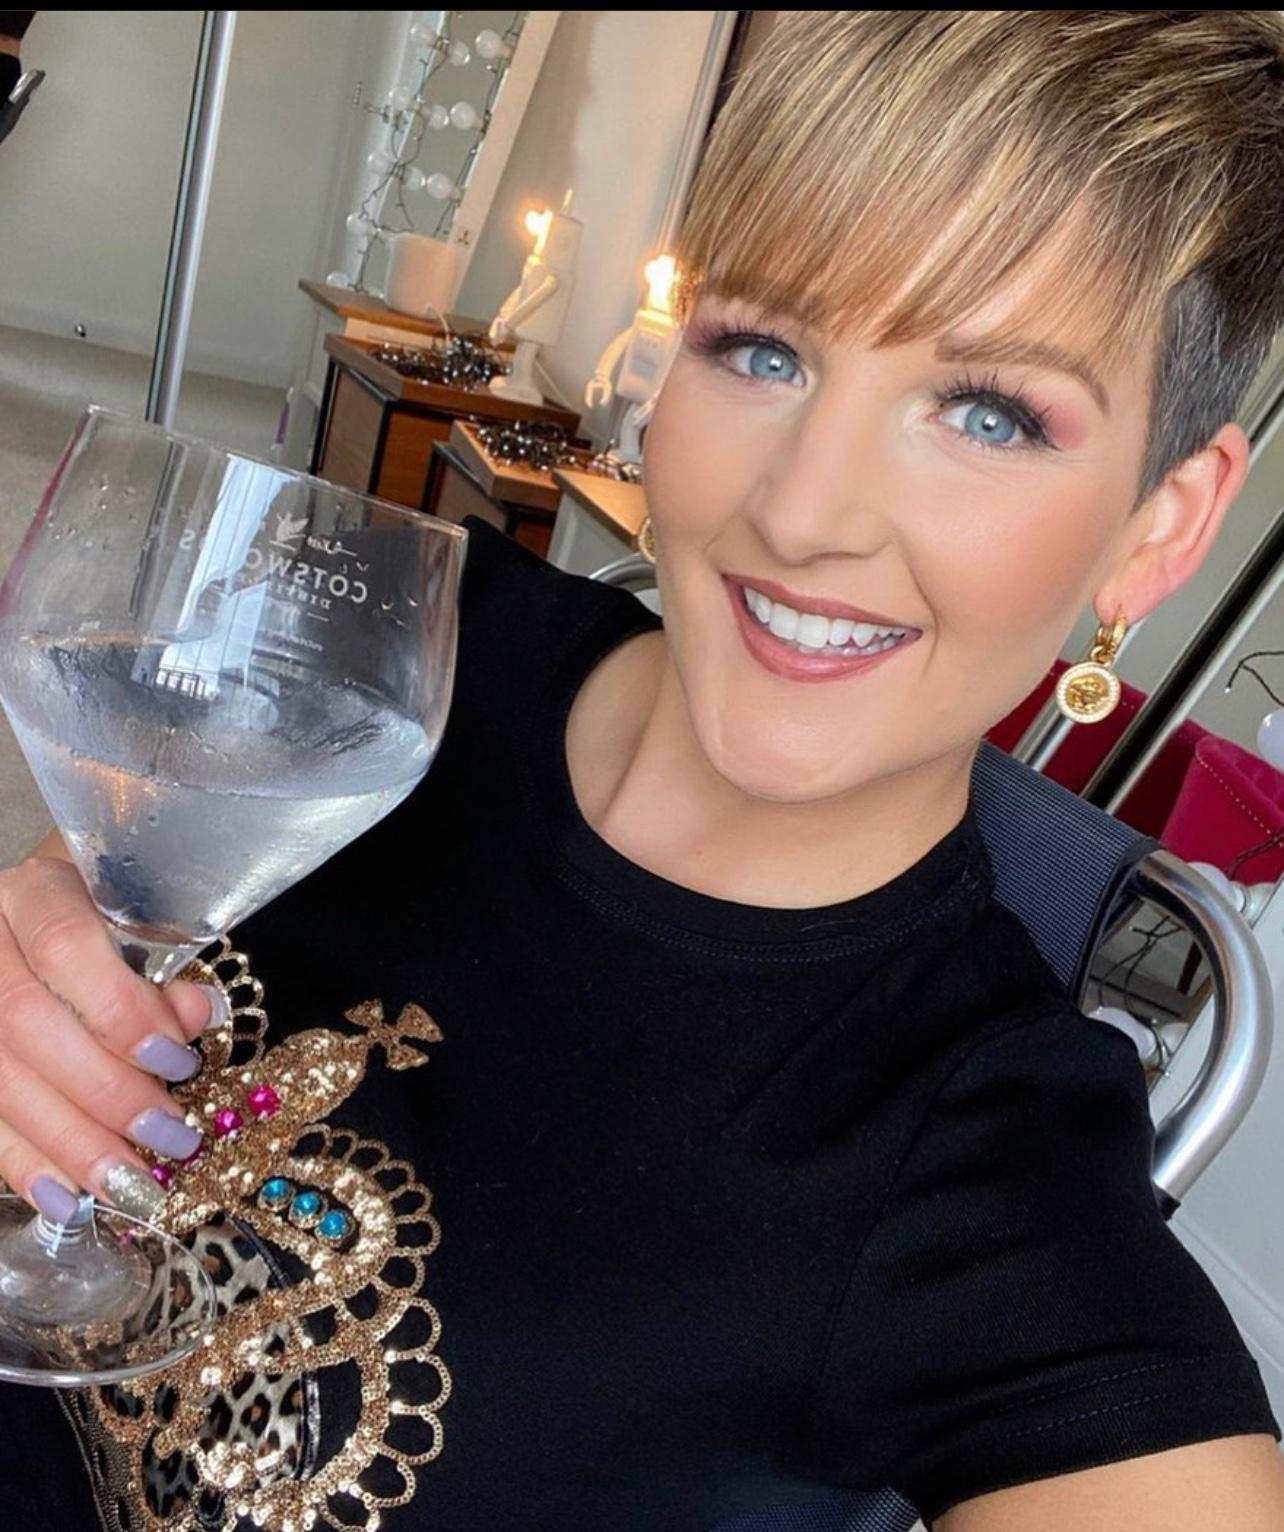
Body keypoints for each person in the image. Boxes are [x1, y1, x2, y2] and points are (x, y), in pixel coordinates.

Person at [0, 10, 1283, 1530]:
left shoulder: (982, 1165)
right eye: (763, 349)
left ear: (1161, 525)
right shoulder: (414, 651)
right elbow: (101, 889)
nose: (802, 513)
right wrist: (44, 963)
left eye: (989, 413)